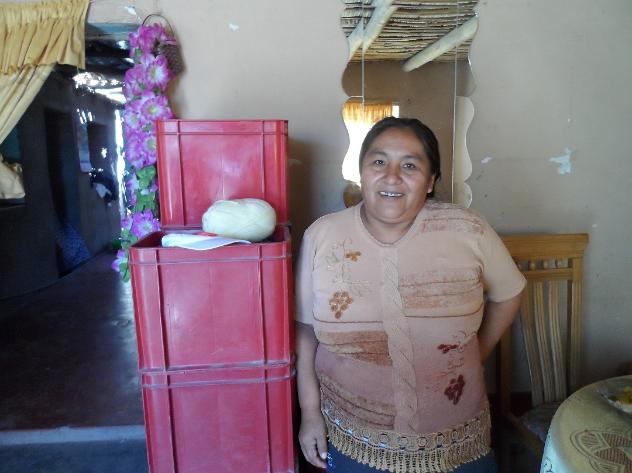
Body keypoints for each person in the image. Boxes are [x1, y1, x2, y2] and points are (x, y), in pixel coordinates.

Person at [295, 117, 525, 473]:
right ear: (361, 172)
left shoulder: (469, 230)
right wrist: (309, 413)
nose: (391, 177)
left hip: (455, 440)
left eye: (409, 165)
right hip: (355, 437)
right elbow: (307, 332)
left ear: (431, 181)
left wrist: (476, 352)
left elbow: (509, 293)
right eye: (379, 161)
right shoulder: (322, 236)